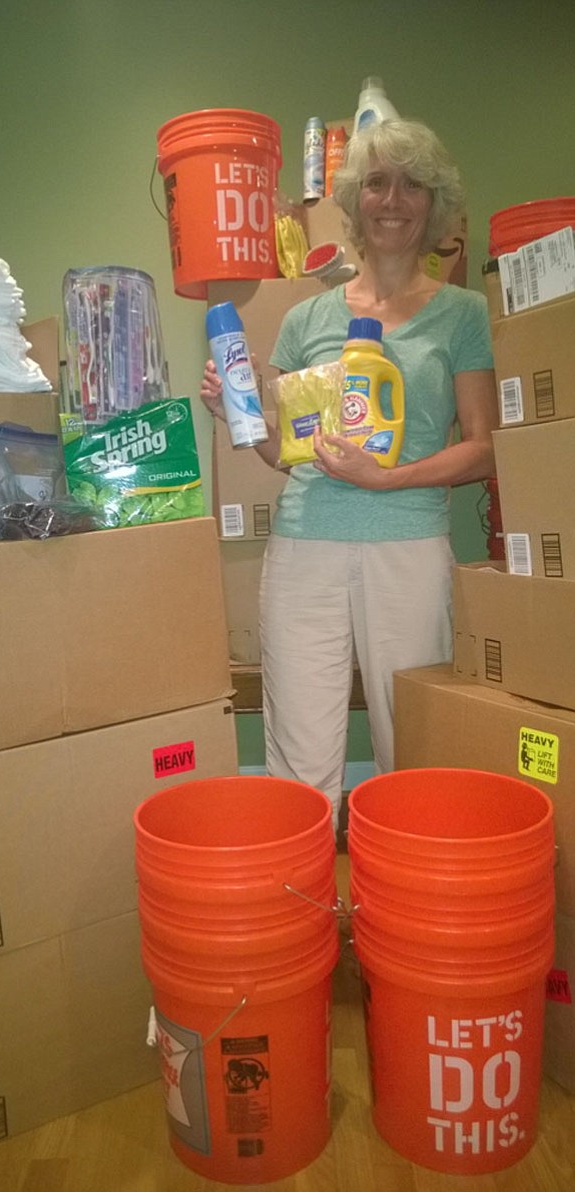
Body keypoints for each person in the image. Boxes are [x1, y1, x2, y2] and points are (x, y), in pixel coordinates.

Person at [200, 118, 497, 832]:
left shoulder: (462, 314)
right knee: (300, 758)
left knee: (411, 750)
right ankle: (299, 920)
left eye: (412, 184)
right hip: (306, 545)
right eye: (375, 182)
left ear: (435, 203)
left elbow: (486, 447)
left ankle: (406, 912)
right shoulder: (306, 318)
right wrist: (236, 414)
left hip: (408, 549)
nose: (393, 199)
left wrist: (387, 478)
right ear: (353, 199)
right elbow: (284, 453)